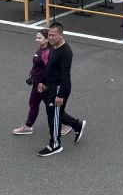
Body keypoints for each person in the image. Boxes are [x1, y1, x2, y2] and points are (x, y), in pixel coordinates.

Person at [37, 22, 86, 156]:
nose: (50, 38)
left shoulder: (66, 52)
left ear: (61, 35)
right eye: (49, 35)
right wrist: (42, 80)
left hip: (59, 88)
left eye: (53, 35)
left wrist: (60, 95)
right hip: (51, 86)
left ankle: (55, 145)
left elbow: (65, 75)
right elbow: (49, 66)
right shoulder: (53, 47)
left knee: (54, 116)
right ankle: (76, 125)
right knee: (53, 113)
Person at [14, 29, 51, 136]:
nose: (37, 40)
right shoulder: (40, 50)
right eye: (36, 37)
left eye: (39, 38)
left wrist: (44, 83)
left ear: (47, 39)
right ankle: (28, 126)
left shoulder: (47, 52)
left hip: (43, 85)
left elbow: (50, 69)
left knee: (51, 106)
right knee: (34, 104)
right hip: (36, 83)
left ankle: (68, 123)